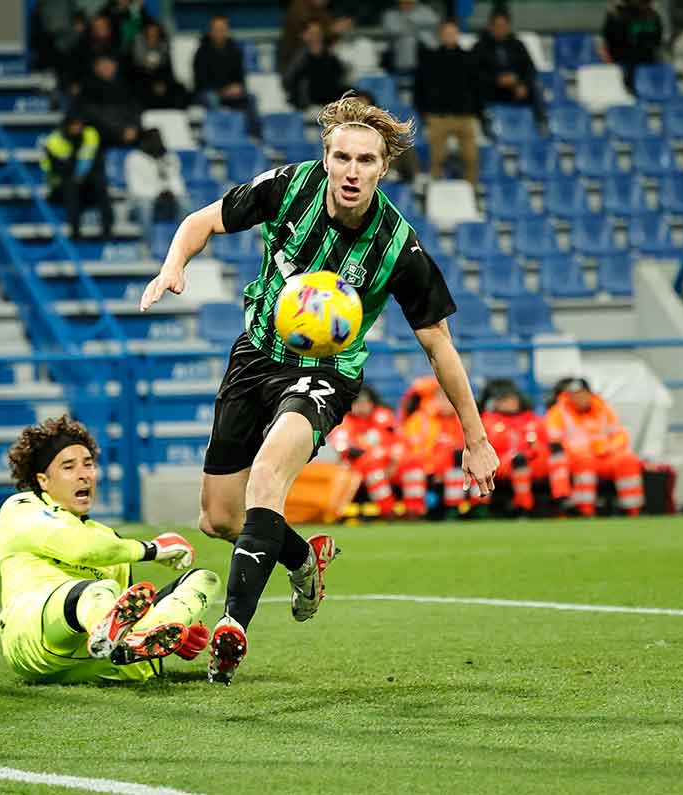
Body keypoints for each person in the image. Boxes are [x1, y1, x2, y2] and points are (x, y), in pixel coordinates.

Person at [139, 95, 499, 684]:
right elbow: (200, 222)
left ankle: (233, 629)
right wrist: (172, 265)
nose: (352, 171)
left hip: (324, 372)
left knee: (268, 475)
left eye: (366, 161)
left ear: (384, 169)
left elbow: (439, 346)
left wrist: (476, 438)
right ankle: (303, 558)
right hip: (254, 354)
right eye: (342, 157)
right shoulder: (288, 188)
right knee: (221, 519)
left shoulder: (397, 247)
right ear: (326, 158)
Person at [0, 415, 221, 683]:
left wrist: (180, 628)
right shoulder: (22, 508)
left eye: (88, 465)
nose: (83, 475)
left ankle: (138, 638)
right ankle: (112, 634)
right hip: (35, 640)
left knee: (205, 580)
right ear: (43, 480)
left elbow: (127, 604)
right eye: (69, 467)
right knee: (98, 590)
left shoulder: (107, 537)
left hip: (94, 663)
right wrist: (152, 550)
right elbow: (80, 548)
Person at [545, 378, 644, 517]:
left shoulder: (603, 409)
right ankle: (585, 510)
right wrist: (584, 450)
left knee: (628, 460)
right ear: (569, 396)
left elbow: (620, 435)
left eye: (583, 394)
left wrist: (610, 447)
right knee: (585, 462)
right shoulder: (558, 413)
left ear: (590, 394)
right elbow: (554, 441)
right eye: (575, 395)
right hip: (577, 457)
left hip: (605, 454)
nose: (580, 398)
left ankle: (633, 510)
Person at [398, 378, 487, 518]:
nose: (446, 403)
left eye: (449, 399)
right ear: (433, 400)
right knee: (413, 467)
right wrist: (433, 468)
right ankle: (415, 514)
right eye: (441, 398)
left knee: (472, 461)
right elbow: (413, 449)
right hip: (428, 469)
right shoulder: (419, 420)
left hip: (459, 469)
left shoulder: (464, 420)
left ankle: (478, 509)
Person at [480, 381, 570, 516]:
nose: (509, 403)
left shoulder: (533, 419)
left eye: (512, 400)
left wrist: (535, 450)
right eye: (505, 400)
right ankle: (523, 505)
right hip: (503, 462)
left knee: (556, 452)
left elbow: (544, 442)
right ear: (496, 402)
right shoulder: (488, 420)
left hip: (533, 460)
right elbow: (489, 447)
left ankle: (562, 498)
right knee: (519, 461)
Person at [414, 19, 482, 185]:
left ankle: (472, 194)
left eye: (453, 32)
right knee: (436, 159)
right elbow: (420, 86)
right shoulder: (430, 59)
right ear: (441, 35)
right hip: (438, 117)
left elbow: (478, 87)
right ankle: (434, 193)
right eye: (446, 33)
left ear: (458, 34)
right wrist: (424, 111)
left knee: (471, 158)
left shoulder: (469, 58)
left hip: (465, 116)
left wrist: (476, 111)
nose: (450, 36)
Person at [326, 385, 402, 518]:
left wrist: (393, 460)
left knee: (413, 464)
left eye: (365, 402)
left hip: (389, 464)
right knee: (373, 469)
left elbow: (396, 442)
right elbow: (342, 446)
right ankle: (388, 511)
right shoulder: (344, 421)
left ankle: (416, 510)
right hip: (358, 469)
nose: (362, 406)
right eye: (358, 402)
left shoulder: (383, 417)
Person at [41, 110, 114, 241]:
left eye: (80, 125)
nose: (77, 128)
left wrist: (81, 173)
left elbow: (95, 161)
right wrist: (75, 162)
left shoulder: (90, 134)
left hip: (84, 181)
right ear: (67, 125)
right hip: (59, 185)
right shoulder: (54, 141)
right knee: (71, 185)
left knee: (99, 183)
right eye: (74, 125)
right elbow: (58, 169)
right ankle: (75, 231)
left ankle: (107, 229)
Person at [472, 7, 539, 113]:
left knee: (534, 89)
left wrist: (523, 84)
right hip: (492, 90)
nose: (500, 29)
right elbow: (475, 73)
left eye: (503, 26)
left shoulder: (518, 45)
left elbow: (530, 69)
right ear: (490, 27)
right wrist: (497, 80)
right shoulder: (480, 47)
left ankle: (540, 123)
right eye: (497, 26)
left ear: (508, 26)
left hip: (515, 89)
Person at [123, 128, 187, 231]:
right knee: (145, 205)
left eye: (158, 139)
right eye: (152, 140)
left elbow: (177, 181)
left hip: (166, 200)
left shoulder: (170, 157)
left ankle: (188, 242)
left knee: (185, 203)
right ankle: (147, 245)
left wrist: (172, 192)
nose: (156, 142)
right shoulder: (134, 158)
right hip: (142, 201)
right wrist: (157, 193)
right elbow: (135, 189)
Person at [282, 20, 351, 110]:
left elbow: (341, 77)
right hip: (307, 106)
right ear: (304, 36)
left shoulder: (330, 56)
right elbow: (288, 81)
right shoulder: (298, 58)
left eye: (318, 34)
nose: (316, 37)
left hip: (331, 104)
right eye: (312, 34)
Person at [77, 55, 142, 148]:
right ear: (96, 68)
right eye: (103, 65)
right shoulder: (89, 87)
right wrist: (122, 129)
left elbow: (136, 107)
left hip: (130, 133)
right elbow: (95, 114)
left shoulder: (125, 84)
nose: (107, 68)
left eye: (110, 64)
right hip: (104, 137)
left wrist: (133, 127)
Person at [602, 0, 664, 89]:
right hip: (625, 59)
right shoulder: (617, 15)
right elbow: (611, 39)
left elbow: (658, 37)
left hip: (648, 57)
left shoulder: (653, 15)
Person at [129, 20, 189, 109]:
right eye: (150, 36)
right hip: (142, 83)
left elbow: (169, 72)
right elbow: (134, 73)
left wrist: (163, 84)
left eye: (155, 35)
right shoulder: (136, 52)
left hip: (163, 83)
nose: (153, 38)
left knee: (180, 90)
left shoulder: (164, 49)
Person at [381, 0, 441, 76]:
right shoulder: (391, 14)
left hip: (427, 52)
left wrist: (411, 20)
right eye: (403, 3)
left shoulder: (423, 10)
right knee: (408, 39)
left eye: (409, 3)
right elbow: (391, 29)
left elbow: (435, 20)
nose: (406, 5)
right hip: (401, 55)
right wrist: (414, 27)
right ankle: (407, 72)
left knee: (426, 37)